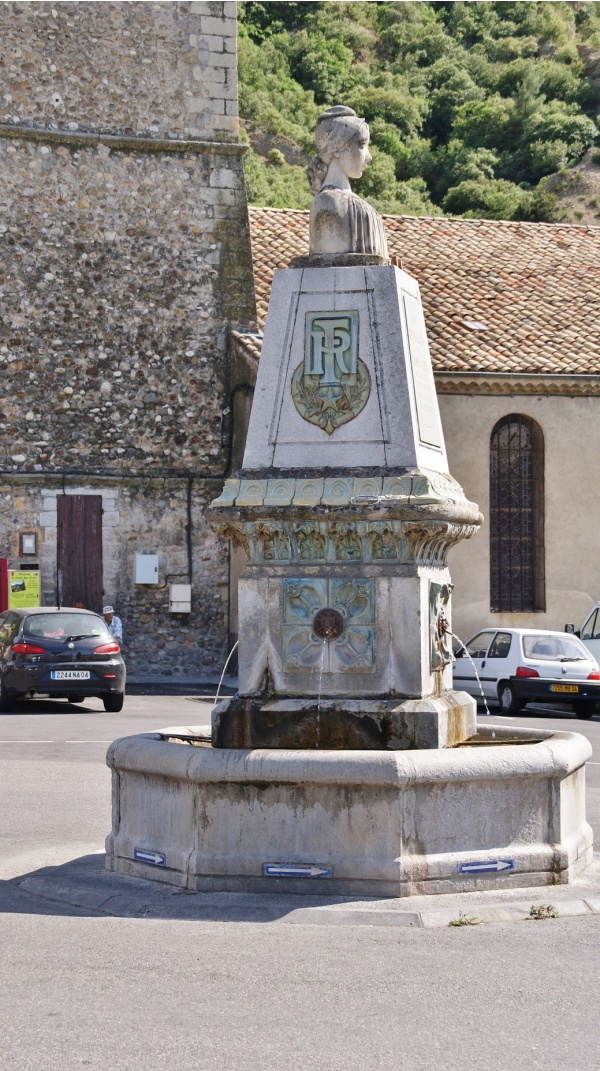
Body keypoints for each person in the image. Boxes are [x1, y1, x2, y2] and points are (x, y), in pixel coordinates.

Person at [306, 105, 389, 259]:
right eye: (362, 145)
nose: (369, 156)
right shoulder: (328, 203)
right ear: (336, 148)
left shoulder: (346, 202)